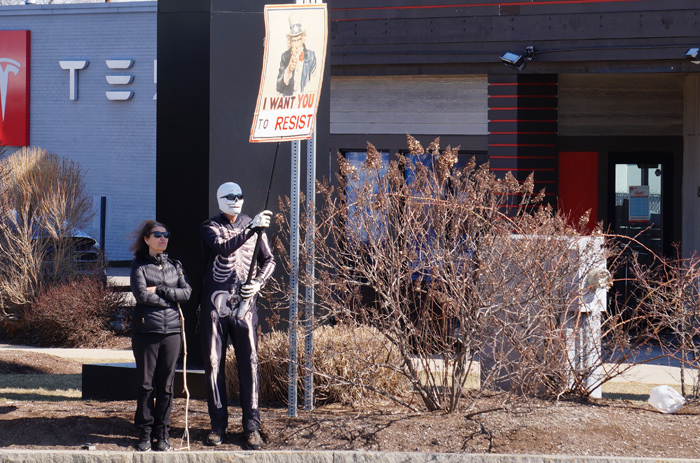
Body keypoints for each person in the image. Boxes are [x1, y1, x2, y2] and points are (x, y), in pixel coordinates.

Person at [200, 182, 275, 450]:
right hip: (215, 304)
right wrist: (251, 228)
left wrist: (258, 283)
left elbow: (269, 260)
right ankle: (218, 424)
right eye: (230, 196)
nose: (236, 200)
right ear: (220, 199)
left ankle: (251, 426)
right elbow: (223, 248)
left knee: (251, 362)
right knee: (213, 363)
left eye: (240, 196)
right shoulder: (210, 227)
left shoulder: (254, 226)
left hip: (246, 304)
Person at [129, 220, 192, 452]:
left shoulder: (176, 266)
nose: (163, 238)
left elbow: (187, 292)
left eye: (166, 234)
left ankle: (162, 433)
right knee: (146, 385)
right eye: (158, 234)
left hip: (173, 333)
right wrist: (170, 299)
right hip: (147, 332)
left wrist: (162, 290)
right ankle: (145, 433)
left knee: (166, 386)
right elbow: (142, 297)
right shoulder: (139, 266)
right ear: (147, 239)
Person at [276, 12, 317, 96]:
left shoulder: (311, 56)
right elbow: (279, 87)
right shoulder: (285, 56)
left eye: (299, 40)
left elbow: (314, 84)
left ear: (303, 40)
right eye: (294, 41)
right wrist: (288, 70)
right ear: (290, 43)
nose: (297, 45)